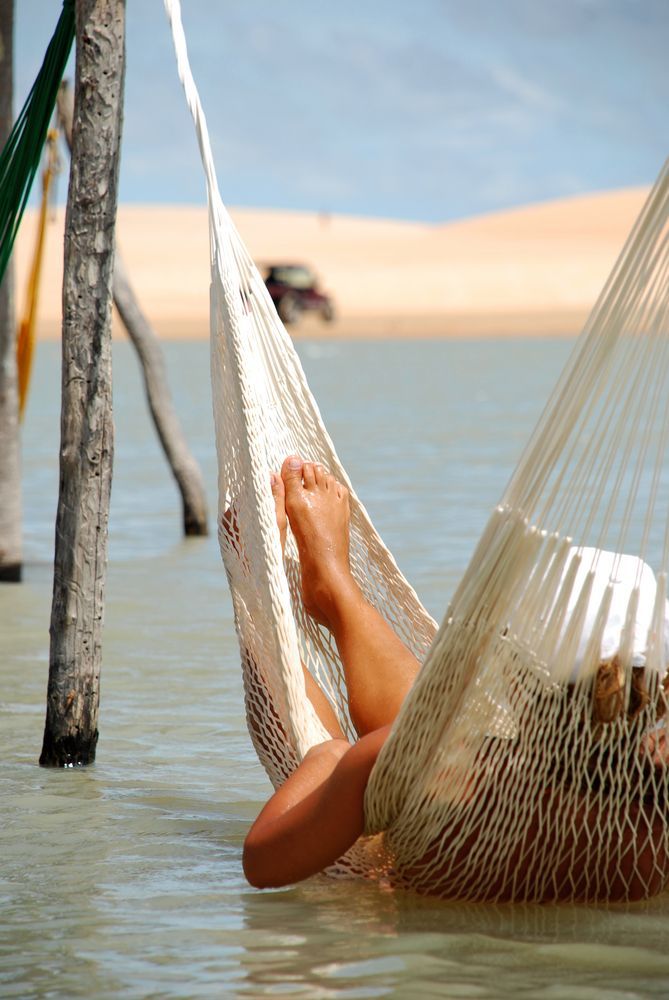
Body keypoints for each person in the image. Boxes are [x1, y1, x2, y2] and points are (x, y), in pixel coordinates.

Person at [242, 456, 669, 900]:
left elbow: (262, 862)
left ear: (511, 679)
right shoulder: (654, 809)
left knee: (406, 740)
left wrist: (331, 759)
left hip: (383, 882)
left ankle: (268, 594)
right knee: (422, 735)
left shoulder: (452, 776)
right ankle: (332, 588)